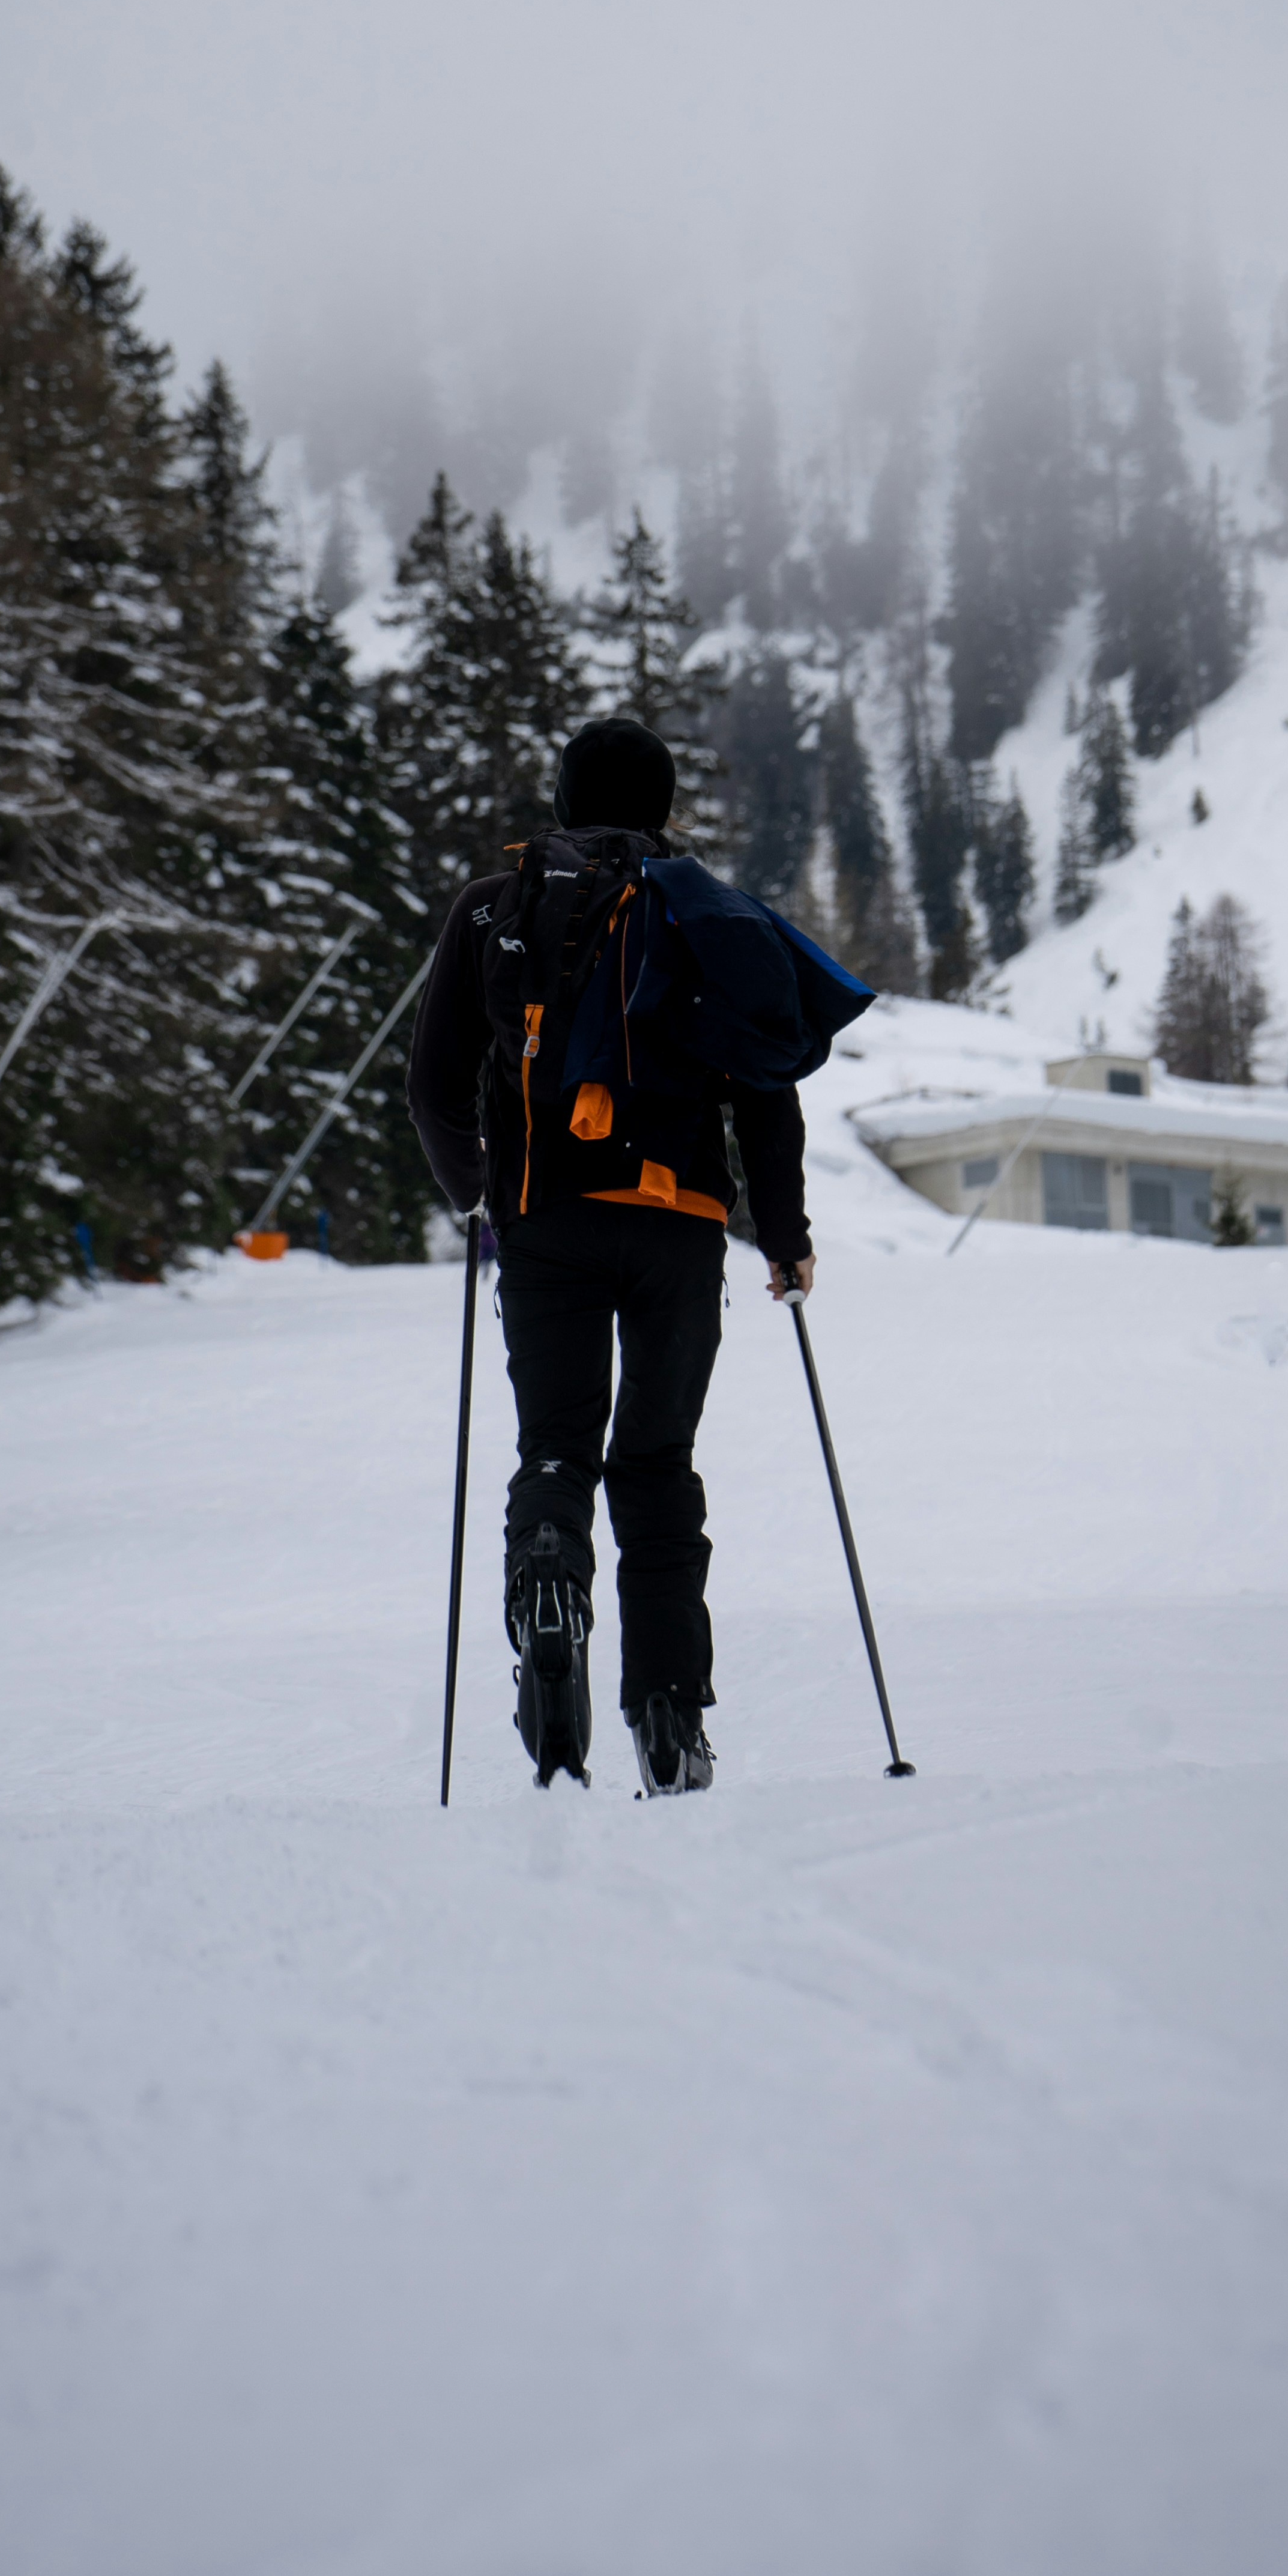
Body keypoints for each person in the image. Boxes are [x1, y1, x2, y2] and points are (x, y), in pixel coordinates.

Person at [407, 714, 816, 1795]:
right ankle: (669, 1706)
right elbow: (765, 1091)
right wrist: (783, 1235)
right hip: (678, 1227)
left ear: (561, 796)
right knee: (656, 1465)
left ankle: (549, 1580)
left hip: (544, 1223)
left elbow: (432, 1082)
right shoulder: (707, 912)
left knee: (556, 1450)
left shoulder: (492, 909)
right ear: (663, 805)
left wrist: (477, 1198)